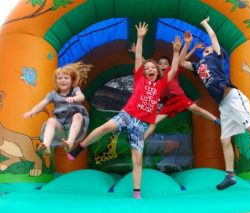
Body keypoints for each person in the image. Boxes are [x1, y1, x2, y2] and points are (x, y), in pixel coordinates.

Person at [67, 22, 182, 199]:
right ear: (143, 72)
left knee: (137, 159)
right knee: (105, 128)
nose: (150, 69)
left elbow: (173, 69)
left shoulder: (160, 85)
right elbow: (138, 58)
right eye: (147, 68)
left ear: (158, 72)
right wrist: (140, 37)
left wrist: (175, 51)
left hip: (140, 124)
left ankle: (137, 193)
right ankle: (80, 147)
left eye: (153, 68)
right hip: (127, 115)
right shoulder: (139, 79)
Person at [179, 17, 250, 190]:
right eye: (206, 50)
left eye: (209, 49)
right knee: (225, 140)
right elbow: (181, 62)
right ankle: (230, 176)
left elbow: (213, 38)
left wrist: (204, 24)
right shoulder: (199, 66)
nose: (207, 50)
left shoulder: (216, 58)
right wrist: (187, 44)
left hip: (232, 96)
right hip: (223, 105)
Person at [129, 42, 221, 140]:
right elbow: (145, 62)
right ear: (156, 67)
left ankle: (216, 120)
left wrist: (193, 48)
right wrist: (137, 53)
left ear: (169, 65)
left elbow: (182, 60)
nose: (163, 65)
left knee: (197, 109)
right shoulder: (156, 76)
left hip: (179, 98)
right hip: (168, 104)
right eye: (160, 64)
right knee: (153, 121)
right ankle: (140, 140)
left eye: (165, 63)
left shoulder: (171, 71)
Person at [23, 62, 92, 156]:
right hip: (61, 128)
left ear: (71, 80)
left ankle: (70, 143)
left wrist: (74, 98)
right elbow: (42, 103)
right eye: (60, 78)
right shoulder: (53, 94)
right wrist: (32, 111)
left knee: (78, 115)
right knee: (51, 120)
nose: (63, 80)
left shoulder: (75, 90)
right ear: (56, 81)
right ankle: (46, 146)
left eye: (66, 78)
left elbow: (81, 97)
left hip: (73, 126)